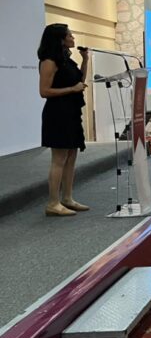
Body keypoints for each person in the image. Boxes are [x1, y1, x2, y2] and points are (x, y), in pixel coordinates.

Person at [38, 24, 91, 216]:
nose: (73, 37)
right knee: (59, 159)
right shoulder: (49, 61)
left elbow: (79, 81)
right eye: (69, 35)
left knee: (71, 156)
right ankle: (53, 203)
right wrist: (71, 89)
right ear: (60, 39)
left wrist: (85, 60)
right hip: (57, 113)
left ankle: (67, 198)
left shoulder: (66, 59)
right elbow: (44, 91)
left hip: (71, 111)